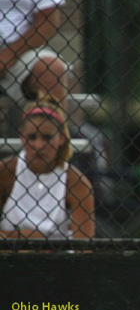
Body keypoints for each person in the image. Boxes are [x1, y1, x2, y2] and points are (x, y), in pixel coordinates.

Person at [0, 95, 95, 241]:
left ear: (61, 139)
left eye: (47, 137)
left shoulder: (77, 183)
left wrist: (12, 237)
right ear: (22, 137)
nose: (39, 145)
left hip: (59, 261)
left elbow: (84, 248)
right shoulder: (5, 172)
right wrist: (33, 238)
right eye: (32, 137)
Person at [0, 0, 68, 112]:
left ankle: (53, 136)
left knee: (51, 69)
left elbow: (49, 20)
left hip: (19, 50)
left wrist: (8, 56)